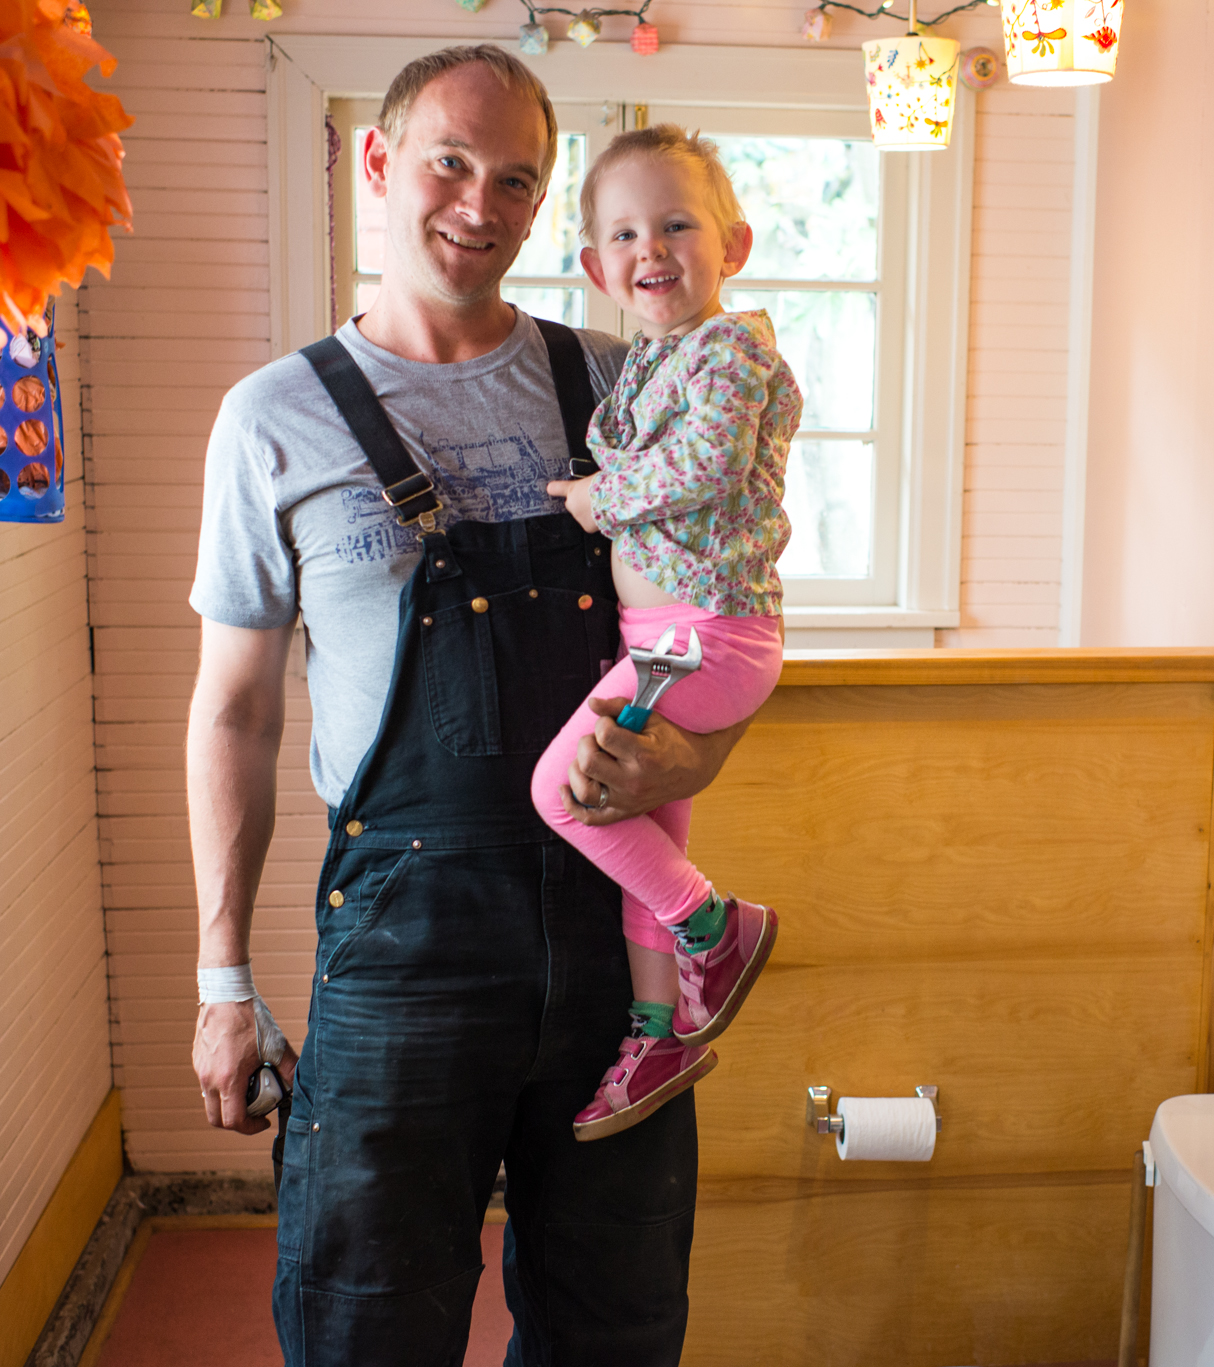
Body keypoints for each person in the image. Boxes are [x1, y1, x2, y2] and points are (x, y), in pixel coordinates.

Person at [184, 47, 753, 1365]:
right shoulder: (274, 418)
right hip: (404, 949)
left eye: (516, 178)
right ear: (379, 165)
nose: (477, 201)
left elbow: (722, 602)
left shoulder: (621, 386)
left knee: (614, 1321)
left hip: (617, 947)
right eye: (449, 161)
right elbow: (235, 713)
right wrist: (223, 979)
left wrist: (701, 746)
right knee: (366, 1317)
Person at [530, 127, 798, 1142]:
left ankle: (714, 929)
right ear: (599, 268)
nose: (653, 247)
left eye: (677, 223)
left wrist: (600, 500)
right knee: (643, 831)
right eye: (626, 232)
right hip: (664, 638)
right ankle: (662, 1027)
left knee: (564, 791)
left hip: (701, 638)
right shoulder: (647, 359)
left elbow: (708, 465)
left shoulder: (729, 350)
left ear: (730, 243)